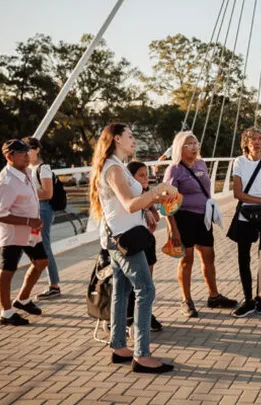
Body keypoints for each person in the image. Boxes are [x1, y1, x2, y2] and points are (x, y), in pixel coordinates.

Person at [89, 122, 178, 373]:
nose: (134, 140)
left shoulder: (116, 167)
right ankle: (142, 354)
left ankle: (119, 346)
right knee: (146, 290)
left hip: (118, 236)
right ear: (116, 139)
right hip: (125, 239)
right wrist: (158, 190)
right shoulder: (114, 169)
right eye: (130, 136)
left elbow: (128, 204)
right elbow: (129, 204)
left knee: (122, 290)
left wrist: (153, 203)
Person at [162, 131, 237, 318]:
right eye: (189, 144)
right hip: (184, 219)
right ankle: (186, 300)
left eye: (196, 143)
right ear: (180, 147)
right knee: (186, 260)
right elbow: (166, 202)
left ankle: (214, 296)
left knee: (209, 257)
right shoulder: (174, 170)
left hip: (203, 218)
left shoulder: (201, 164)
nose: (194, 147)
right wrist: (173, 229)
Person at [0, 139, 49, 326]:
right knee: (8, 270)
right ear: (10, 156)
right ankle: (6, 313)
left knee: (41, 262)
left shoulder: (28, 172)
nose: (27, 156)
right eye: (22, 153)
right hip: (13, 234)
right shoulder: (6, 182)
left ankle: (22, 300)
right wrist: (28, 220)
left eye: (28, 152)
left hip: (31, 231)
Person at [230, 127, 261, 318]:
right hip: (246, 215)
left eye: (260, 138)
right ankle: (248, 299)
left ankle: (260, 298)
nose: (257, 142)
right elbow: (237, 193)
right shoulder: (239, 162)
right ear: (246, 143)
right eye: (253, 139)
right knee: (244, 257)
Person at [125, 161, 164, 331]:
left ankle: (146, 314)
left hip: (147, 240)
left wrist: (150, 208)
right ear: (130, 178)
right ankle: (131, 315)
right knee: (135, 283)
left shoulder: (147, 193)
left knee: (148, 281)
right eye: (141, 175)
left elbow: (156, 218)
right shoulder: (127, 196)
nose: (146, 178)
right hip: (133, 242)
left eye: (147, 174)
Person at [22, 137, 61, 300]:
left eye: (28, 149)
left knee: (44, 246)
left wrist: (24, 193)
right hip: (31, 210)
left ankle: (54, 285)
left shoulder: (43, 168)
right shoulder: (25, 169)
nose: (25, 153)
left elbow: (48, 193)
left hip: (43, 209)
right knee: (21, 244)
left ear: (37, 149)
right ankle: (6, 283)